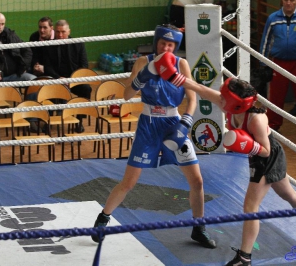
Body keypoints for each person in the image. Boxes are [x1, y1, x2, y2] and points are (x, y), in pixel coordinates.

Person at [150, 51, 296, 265]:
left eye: (225, 98)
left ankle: (244, 257)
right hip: (259, 154)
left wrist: (245, 144)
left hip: (266, 156)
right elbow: (203, 90)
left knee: (250, 208)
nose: (220, 99)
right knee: (288, 193)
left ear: (237, 104)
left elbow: (266, 151)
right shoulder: (229, 102)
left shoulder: (256, 119)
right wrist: (175, 77)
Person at [91, 24, 216, 249]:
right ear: (156, 42)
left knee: (197, 180)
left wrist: (186, 122)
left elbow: (193, 96)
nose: (166, 47)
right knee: (129, 181)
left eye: (170, 45)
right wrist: (142, 77)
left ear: (175, 46)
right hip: (148, 125)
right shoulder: (143, 62)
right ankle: (103, 219)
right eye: (162, 43)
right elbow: (126, 94)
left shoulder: (181, 64)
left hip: (173, 123)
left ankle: (199, 228)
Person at [259, 0, 296, 136]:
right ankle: (273, 125)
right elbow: (266, 41)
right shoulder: (272, 18)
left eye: (291, 0)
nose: (288, 3)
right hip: (278, 63)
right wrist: (263, 64)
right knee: (275, 96)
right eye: (286, 0)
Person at [42, 19, 92, 133]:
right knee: (47, 90)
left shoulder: (78, 44)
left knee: (86, 89)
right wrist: (58, 79)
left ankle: (79, 122)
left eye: (63, 32)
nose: (60, 35)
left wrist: (72, 80)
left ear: (69, 31)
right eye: (58, 32)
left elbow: (84, 65)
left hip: (74, 79)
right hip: (56, 79)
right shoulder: (49, 46)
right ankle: (48, 122)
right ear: (55, 31)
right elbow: (47, 67)